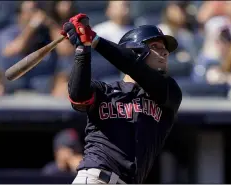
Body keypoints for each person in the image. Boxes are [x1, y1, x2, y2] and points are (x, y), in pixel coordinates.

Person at [60, 14, 182, 184]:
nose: (165, 52)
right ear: (135, 51)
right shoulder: (104, 91)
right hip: (96, 178)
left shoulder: (170, 92)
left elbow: (136, 69)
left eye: (165, 49)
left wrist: (95, 40)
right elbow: (77, 94)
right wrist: (83, 49)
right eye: (155, 46)